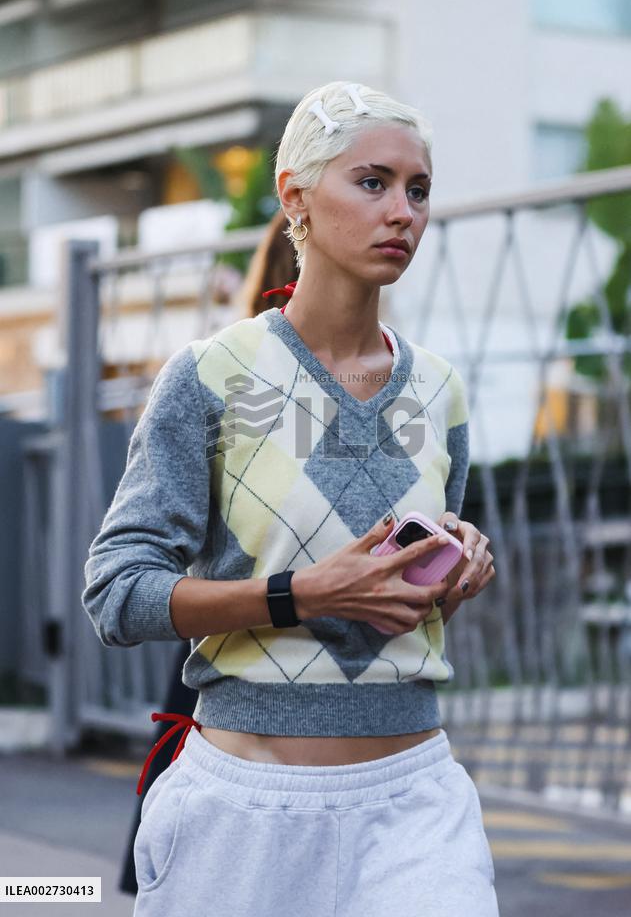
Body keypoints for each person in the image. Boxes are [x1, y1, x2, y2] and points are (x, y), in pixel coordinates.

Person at [83, 80, 498, 917]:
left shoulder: (442, 391)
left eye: (418, 190)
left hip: (414, 802)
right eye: (372, 182)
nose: (402, 213)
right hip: (243, 810)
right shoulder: (211, 375)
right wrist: (298, 593)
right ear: (295, 197)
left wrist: (458, 565)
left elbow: (406, 608)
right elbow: (115, 594)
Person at [118, 209, 300, 896]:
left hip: (214, 638)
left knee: (191, 867)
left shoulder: (220, 368)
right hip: (268, 642)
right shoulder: (240, 378)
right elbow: (121, 585)